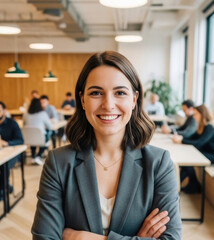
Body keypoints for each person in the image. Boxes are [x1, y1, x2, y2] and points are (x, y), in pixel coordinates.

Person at [32, 51, 181, 239]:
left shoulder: (159, 163)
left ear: (134, 99)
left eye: (120, 93)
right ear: (83, 100)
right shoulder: (58, 162)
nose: (108, 104)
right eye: (96, 93)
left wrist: (80, 237)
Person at [172, 104, 214, 193]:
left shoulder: (210, 127)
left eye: (196, 114)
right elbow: (194, 138)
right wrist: (181, 139)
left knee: (187, 160)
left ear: (202, 114)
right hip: (207, 151)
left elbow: (199, 143)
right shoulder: (202, 125)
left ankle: (181, 186)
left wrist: (181, 140)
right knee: (186, 159)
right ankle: (189, 184)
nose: (194, 116)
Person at [23, 98, 53, 165]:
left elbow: (25, 124)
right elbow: (50, 127)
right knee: (48, 134)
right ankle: (38, 156)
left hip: (28, 138)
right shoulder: (43, 113)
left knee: (33, 138)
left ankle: (33, 157)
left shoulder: (25, 114)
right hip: (40, 138)